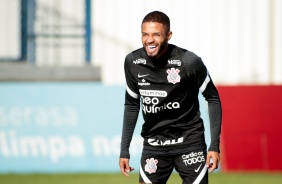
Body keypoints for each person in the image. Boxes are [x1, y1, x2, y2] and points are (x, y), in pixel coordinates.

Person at [119, 10, 222, 184]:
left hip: (190, 143)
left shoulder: (189, 62)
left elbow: (212, 98)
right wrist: (124, 150)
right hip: (154, 145)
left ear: (168, 35)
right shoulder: (132, 62)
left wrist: (214, 145)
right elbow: (131, 104)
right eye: (145, 34)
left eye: (156, 34)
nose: (149, 40)